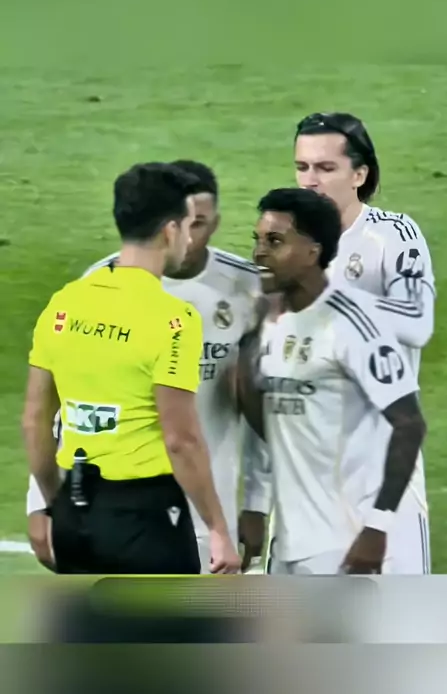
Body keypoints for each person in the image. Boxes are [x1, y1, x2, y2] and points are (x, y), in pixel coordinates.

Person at [26, 160, 270, 575]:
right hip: (148, 514)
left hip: (77, 507)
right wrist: (217, 528)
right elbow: (180, 438)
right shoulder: (172, 319)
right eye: (187, 225)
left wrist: (53, 502)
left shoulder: (66, 301)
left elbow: (35, 418)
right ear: (170, 230)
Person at [242, 111, 435, 574]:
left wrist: (321, 298)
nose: (311, 180)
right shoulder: (286, 245)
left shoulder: (392, 236)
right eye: (302, 167)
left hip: (381, 472)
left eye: (326, 168)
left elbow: (418, 321)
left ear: (359, 175)